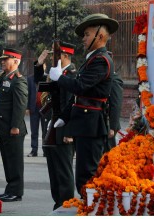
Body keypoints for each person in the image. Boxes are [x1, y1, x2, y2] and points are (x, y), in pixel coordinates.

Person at [49, 13, 119, 197]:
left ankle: (90, 210)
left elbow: (80, 87)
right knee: (83, 175)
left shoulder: (101, 60)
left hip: (91, 125)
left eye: (87, 34)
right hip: (85, 123)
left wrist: (59, 78)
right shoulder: (92, 59)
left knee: (87, 175)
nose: (83, 38)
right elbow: (80, 97)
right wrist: (65, 116)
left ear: (100, 36)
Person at [35, 42, 77, 210]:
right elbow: (41, 83)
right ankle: (58, 202)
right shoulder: (58, 74)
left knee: (63, 169)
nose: (52, 58)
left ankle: (65, 204)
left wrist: (69, 132)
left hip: (63, 129)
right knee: (53, 168)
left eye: (55, 55)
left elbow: (72, 104)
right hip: (51, 125)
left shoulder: (72, 76)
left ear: (64, 56)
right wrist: (39, 65)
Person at [0, 48, 28, 202]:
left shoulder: (18, 79)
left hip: (12, 128)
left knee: (14, 161)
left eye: (6, 60)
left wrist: (15, 126)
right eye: (2, 60)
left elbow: (20, 105)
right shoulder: (5, 77)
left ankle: (16, 192)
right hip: (3, 127)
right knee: (7, 160)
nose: (2, 62)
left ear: (16, 61)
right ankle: (10, 189)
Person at [26, 74, 47, 157]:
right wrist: (27, 107)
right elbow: (28, 93)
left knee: (45, 131)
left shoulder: (47, 78)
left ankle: (45, 150)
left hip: (45, 108)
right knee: (34, 131)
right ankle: (34, 150)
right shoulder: (30, 79)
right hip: (34, 108)